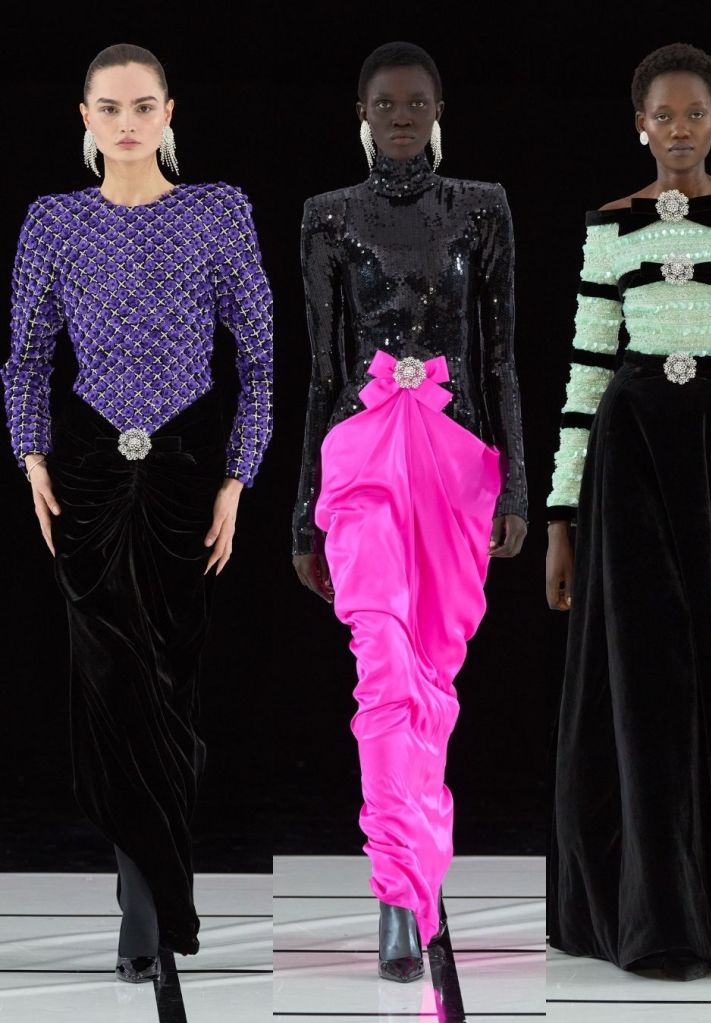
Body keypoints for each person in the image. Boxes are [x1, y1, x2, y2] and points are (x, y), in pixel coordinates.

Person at [546, 42, 711, 981]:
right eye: (661, 116)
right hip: (630, 464)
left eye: (693, 113)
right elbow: (585, 373)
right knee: (647, 681)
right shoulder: (608, 227)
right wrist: (560, 518)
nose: (678, 130)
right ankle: (658, 909)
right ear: (639, 126)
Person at [3, 43, 274, 983]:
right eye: (110, 108)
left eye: (143, 106)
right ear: (84, 117)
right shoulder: (53, 221)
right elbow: (27, 355)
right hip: (85, 477)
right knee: (109, 687)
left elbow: (259, 358)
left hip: (185, 476)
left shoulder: (216, 211)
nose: (127, 123)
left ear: (168, 113)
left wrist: (237, 478)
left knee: (167, 690)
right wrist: (31, 458)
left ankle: (152, 883)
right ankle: (143, 904)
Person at [292, 41, 527, 982]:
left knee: (431, 680)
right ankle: (395, 894)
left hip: (457, 464)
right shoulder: (326, 216)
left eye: (415, 102)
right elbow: (320, 370)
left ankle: (419, 878)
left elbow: (500, 355)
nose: (400, 116)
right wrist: (303, 516)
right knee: (384, 669)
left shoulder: (482, 207)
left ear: (437, 109)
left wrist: (516, 485)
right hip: (359, 461)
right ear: (361, 111)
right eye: (384, 103)